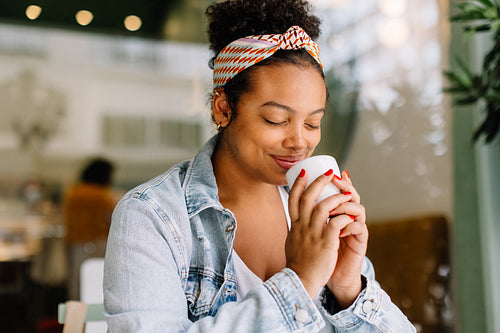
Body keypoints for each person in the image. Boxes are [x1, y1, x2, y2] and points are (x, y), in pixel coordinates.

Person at [104, 0, 416, 332]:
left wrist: (350, 288)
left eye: (312, 123)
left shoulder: (318, 210)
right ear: (223, 109)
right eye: (276, 119)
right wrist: (301, 279)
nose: (299, 142)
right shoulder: (152, 217)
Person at [64, 157, 116, 300]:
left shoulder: (74, 192)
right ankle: (91, 318)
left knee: (77, 282)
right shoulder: (101, 195)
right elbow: (110, 218)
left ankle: (76, 317)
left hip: (75, 242)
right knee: (93, 282)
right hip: (95, 242)